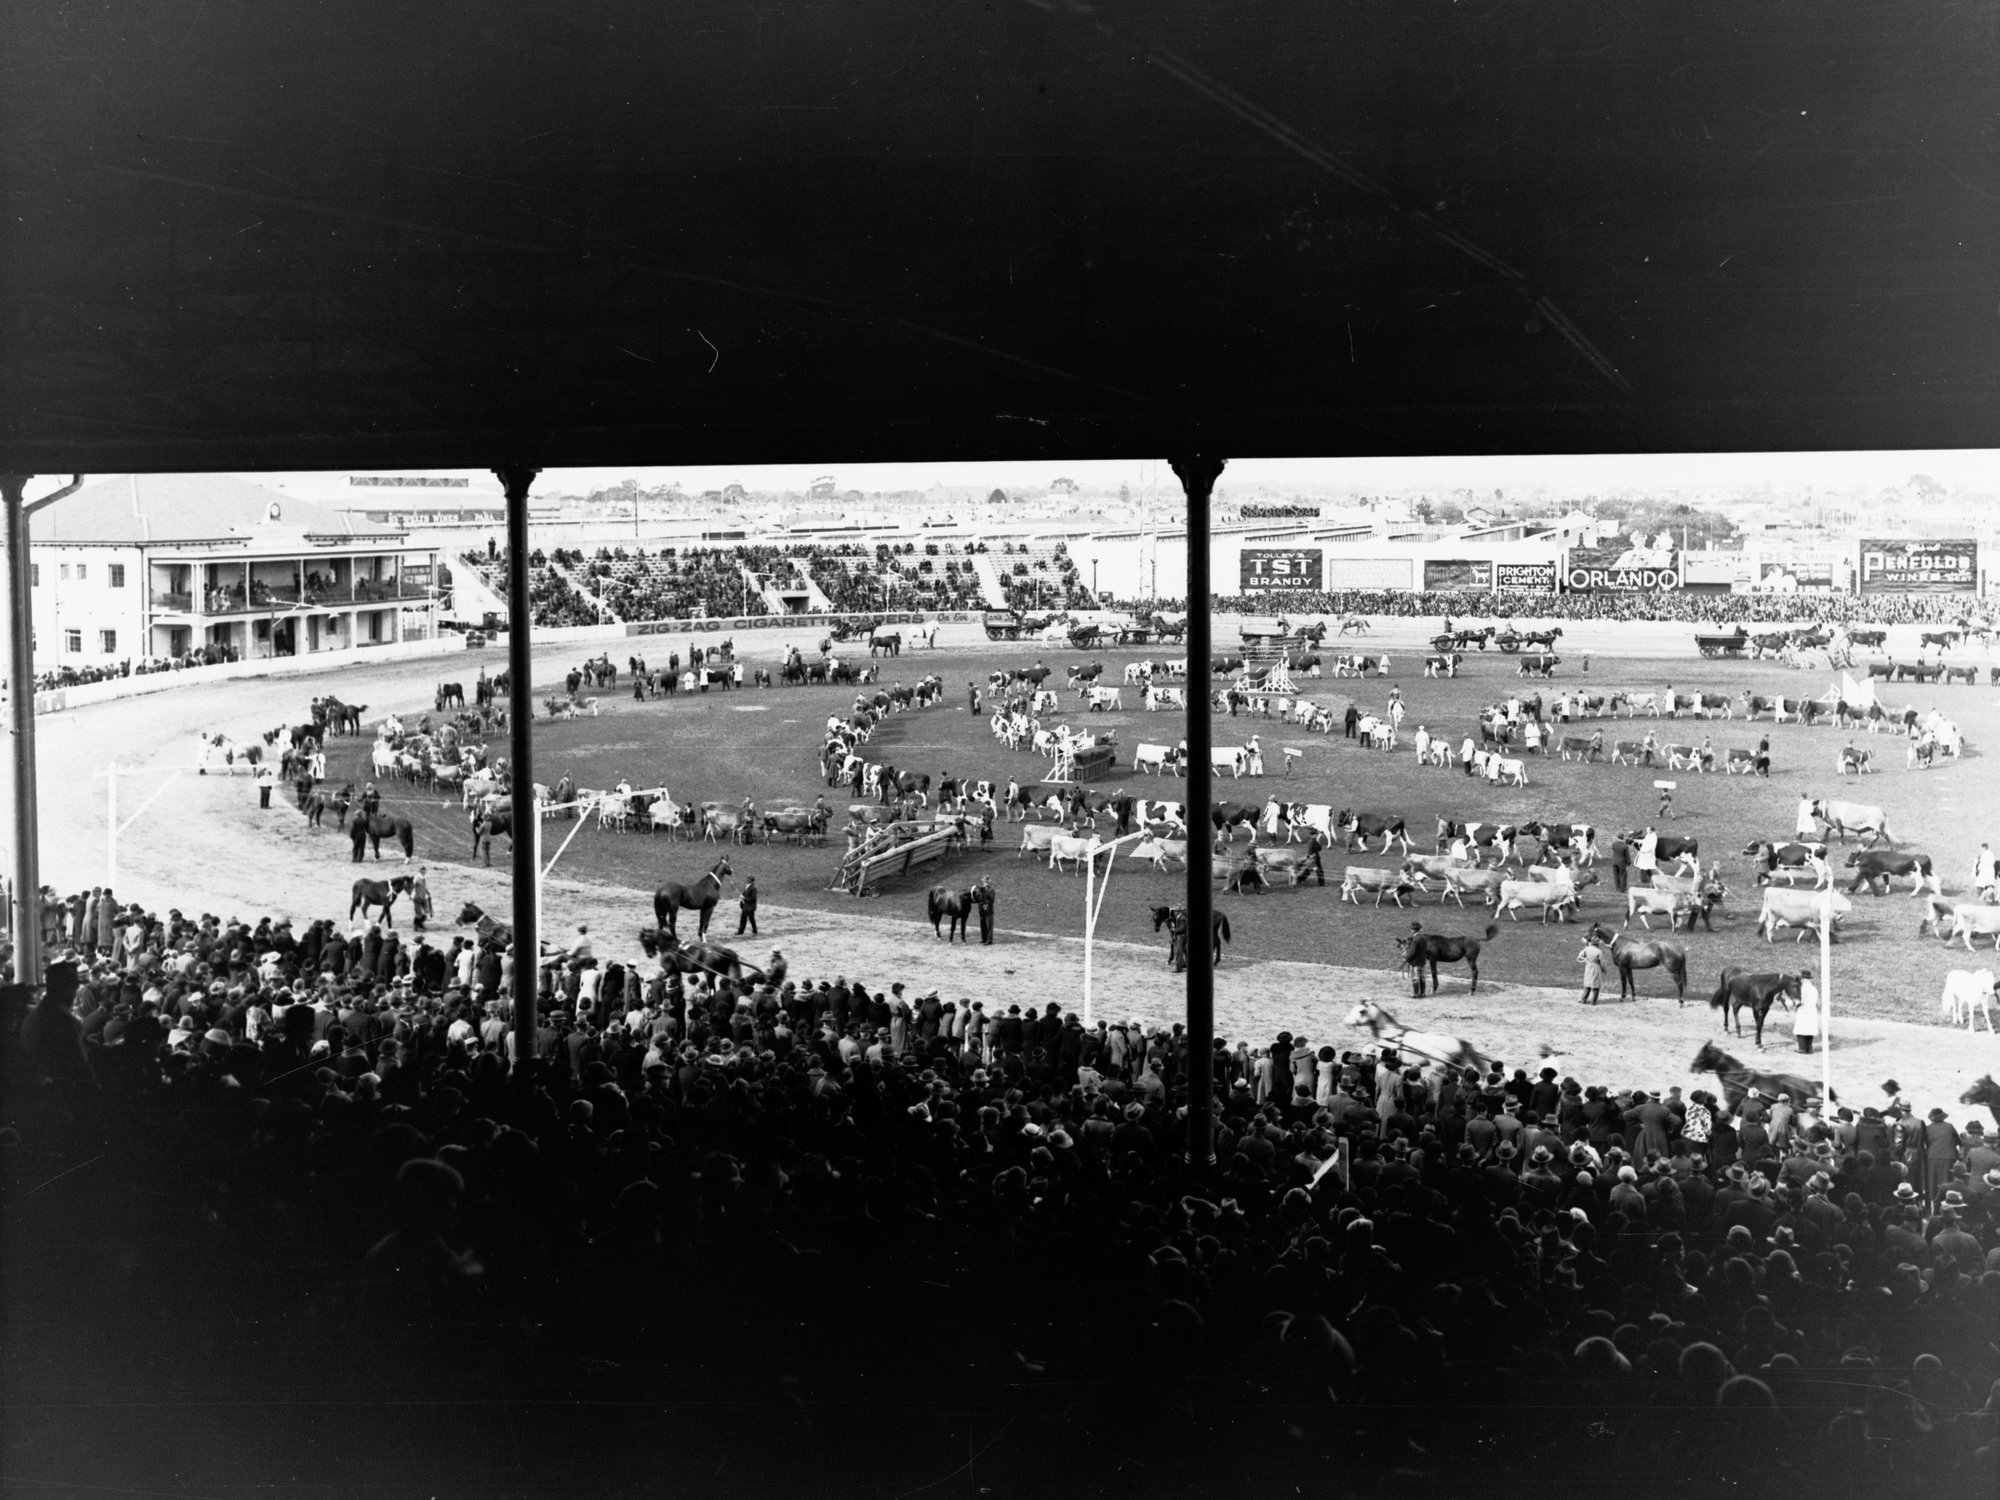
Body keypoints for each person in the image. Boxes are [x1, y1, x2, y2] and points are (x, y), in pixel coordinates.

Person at [1794, 968, 1820, 1055]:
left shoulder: (1802, 988)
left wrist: (1795, 1004)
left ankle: (1802, 1048)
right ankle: (1809, 1048)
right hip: (1812, 1010)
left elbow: (1801, 1001)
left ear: (1803, 980)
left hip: (1804, 1010)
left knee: (1801, 1028)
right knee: (1810, 1029)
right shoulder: (1814, 989)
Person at [1577, 933, 1605, 1006]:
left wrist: (1585, 960)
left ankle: (1583, 999)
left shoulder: (1586, 949)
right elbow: (1602, 963)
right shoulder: (1599, 951)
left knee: (1587, 984)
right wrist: (1604, 969)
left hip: (1588, 967)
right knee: (1595, 985)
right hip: (1596, 968)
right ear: (1597, 944)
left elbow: (1580, 956)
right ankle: (1593, 1002)